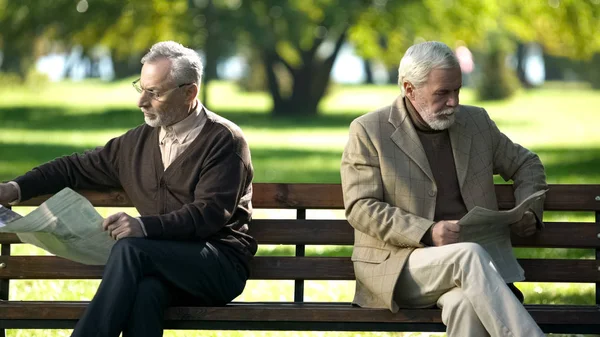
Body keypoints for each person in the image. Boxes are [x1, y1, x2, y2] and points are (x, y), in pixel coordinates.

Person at [0, 41, 256, 337]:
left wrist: (143, 227)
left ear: (190, 93)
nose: (142, 102)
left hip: (217, 264)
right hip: (158, 264)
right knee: (146, 293)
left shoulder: (224, 140)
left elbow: (207, 214)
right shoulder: (136, 143)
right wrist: (14, 188)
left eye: (155, 93)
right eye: (142, 88)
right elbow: (74, 167)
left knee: (131, 249)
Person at [340, 41, 547, 337]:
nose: (454, 102)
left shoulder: (476, 123)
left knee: (466, 305)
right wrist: (427, 231)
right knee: (468, 255)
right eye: (442, 93)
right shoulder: (369, 131)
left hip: (472, 274)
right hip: (400, 267)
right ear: (410, 89)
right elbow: (361, 208)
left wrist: (528, 209)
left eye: (457, 90)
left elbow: (527, 164)